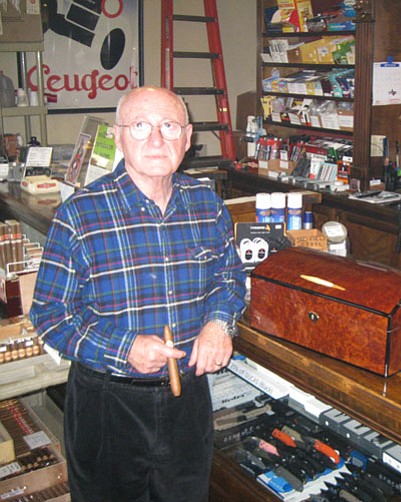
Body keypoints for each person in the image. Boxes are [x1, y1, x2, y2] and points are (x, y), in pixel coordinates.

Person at [29, 86, 246, 502]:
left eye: (169, 127)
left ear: (188, 137)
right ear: (119, 135)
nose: (156, 139)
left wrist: (220, 323)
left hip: (188, 400)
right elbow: (51, 316)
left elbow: (229, 277)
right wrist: (123, 347)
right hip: (109, 405)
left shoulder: (207, 204)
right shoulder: (80, 214)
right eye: (141, 126)